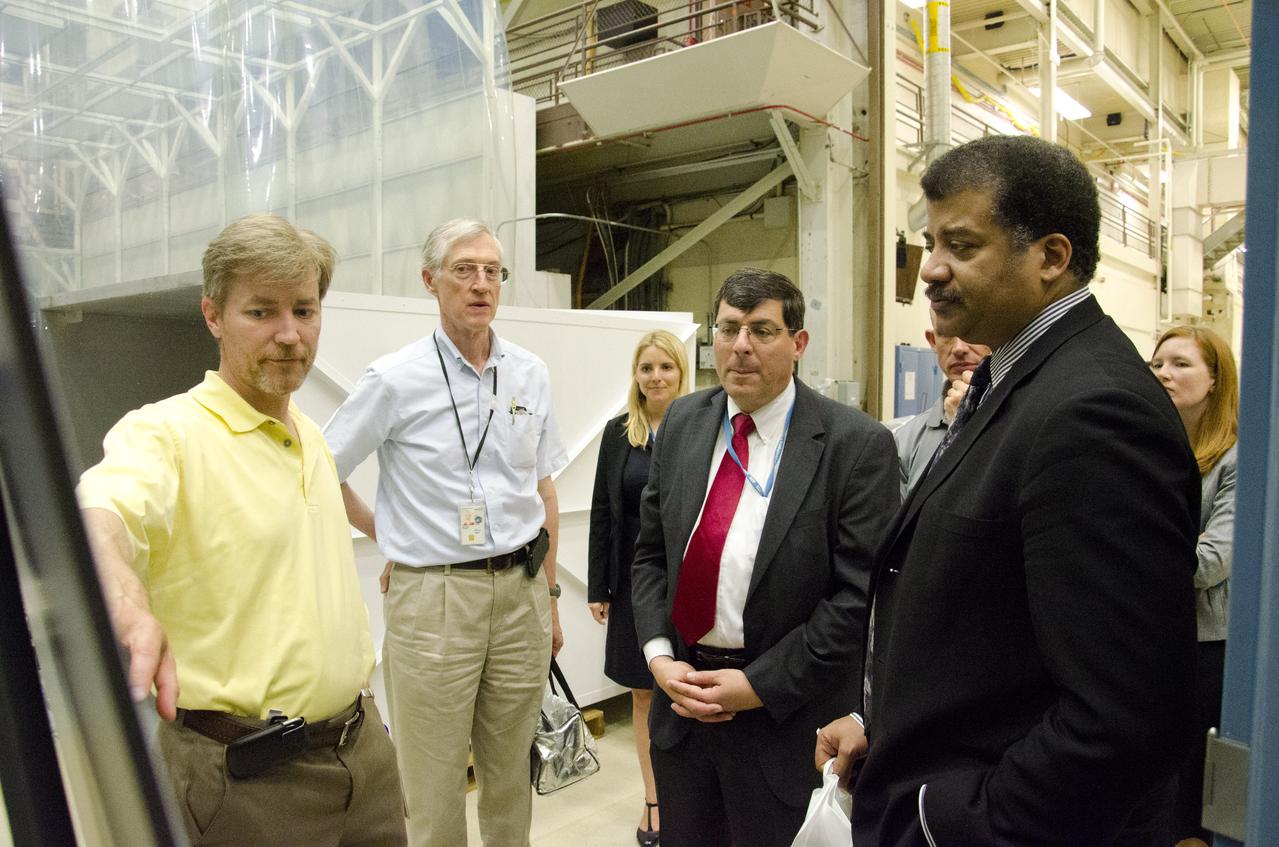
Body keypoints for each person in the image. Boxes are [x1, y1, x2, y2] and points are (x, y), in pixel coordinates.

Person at [817, 135, 1201, 846]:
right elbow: (992, 630)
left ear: (1050, 257)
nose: (930, 269)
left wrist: (947, 819)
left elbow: (1122, 714)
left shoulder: (1091, 409)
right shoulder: (1020, 380)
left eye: (960, 244)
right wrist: (889, 727)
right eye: (930, 241)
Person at [78, 214, 406, 846]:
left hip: (361, 756)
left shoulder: (308, 434)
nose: (290, 335)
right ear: (212, 316)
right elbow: (103, 508)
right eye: (261, 312)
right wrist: (122, 597)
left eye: (304, 310)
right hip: (246, 780)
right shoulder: (167, 433)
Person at [630, 268, 900, 847]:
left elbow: (855, 601)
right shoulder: (682, 421)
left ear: (798, 343)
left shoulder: (855, 445)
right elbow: (651, 555)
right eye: (728, 329)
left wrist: (754, 685)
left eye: (762, 330)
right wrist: (658, 658)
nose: (741, 347)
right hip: (682, 713)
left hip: (787, 725)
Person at [323, 219, 568, 847]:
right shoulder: (394, 378)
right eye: (465, 269)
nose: (481, 284)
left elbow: (542, 488)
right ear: (431, 281)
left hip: (521, 594)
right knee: (431, 787)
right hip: (433, 601)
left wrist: (551, 596)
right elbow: (322, 471)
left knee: (512, 776)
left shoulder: (529, 374)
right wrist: (394, 537)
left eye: (493, 271)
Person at [587, 329, 690, 847]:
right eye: (646, 368)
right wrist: (598, 586)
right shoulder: (616, 433)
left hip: (688, 580)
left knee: (691, 692)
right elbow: (605, 512)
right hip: (632, 584)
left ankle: (691, 797)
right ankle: (654, 800)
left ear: (681, 372)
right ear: (636, 375)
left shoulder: (700, 426)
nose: (655, 377)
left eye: (665, 367)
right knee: (645, 696)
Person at [1150, 325, 1239, 844]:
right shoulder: (1154, 450)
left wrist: (1143, 551)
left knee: (1189, 798)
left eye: (1180, 364)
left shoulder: (1233, 463)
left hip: (1206, 648)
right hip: (1153, 640)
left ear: (1214, 380)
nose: (1163, 373)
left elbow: (1210, 562)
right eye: (1158, 362)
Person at [892, 321, 990, 497]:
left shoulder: (1027, 421)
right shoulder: (906, 440)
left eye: (971, 332)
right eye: (946, 334)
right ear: (932, 341)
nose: (959, 348)